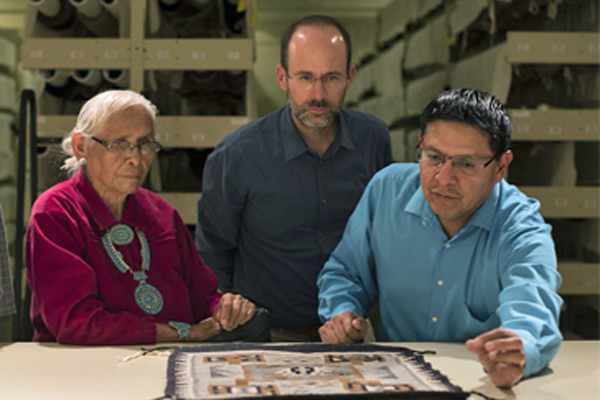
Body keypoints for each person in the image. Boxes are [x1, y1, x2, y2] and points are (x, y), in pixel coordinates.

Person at [317, 88, 563, 388]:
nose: (444, 178)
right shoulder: (386, 192)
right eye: (433, 157)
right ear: (420, 145)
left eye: (466, 164)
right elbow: (345, 271)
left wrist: (516, 350)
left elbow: (532, 309)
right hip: (396, 382)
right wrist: (343, 313)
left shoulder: (520, 227)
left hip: (480, 385)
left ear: (500, 167)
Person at [195, 15, 392, 342]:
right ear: (282, 77)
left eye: (331, 77)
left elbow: (384, 232)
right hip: (266, 336)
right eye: (305, 77)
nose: (318, 94)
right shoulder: (237, 155)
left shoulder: (373, 139)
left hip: (351, 331)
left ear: (350, 77)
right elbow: (212, 253)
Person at [26, 90, 266, 345]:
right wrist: (181, 333)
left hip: (168, 362)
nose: (136, 158)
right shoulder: (56, 213)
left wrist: (225, 308)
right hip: (86, 371)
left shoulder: (161, 213)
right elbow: (75, 323)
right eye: (120, 144)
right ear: (81, 146)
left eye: (146, 144)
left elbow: (202, 298)